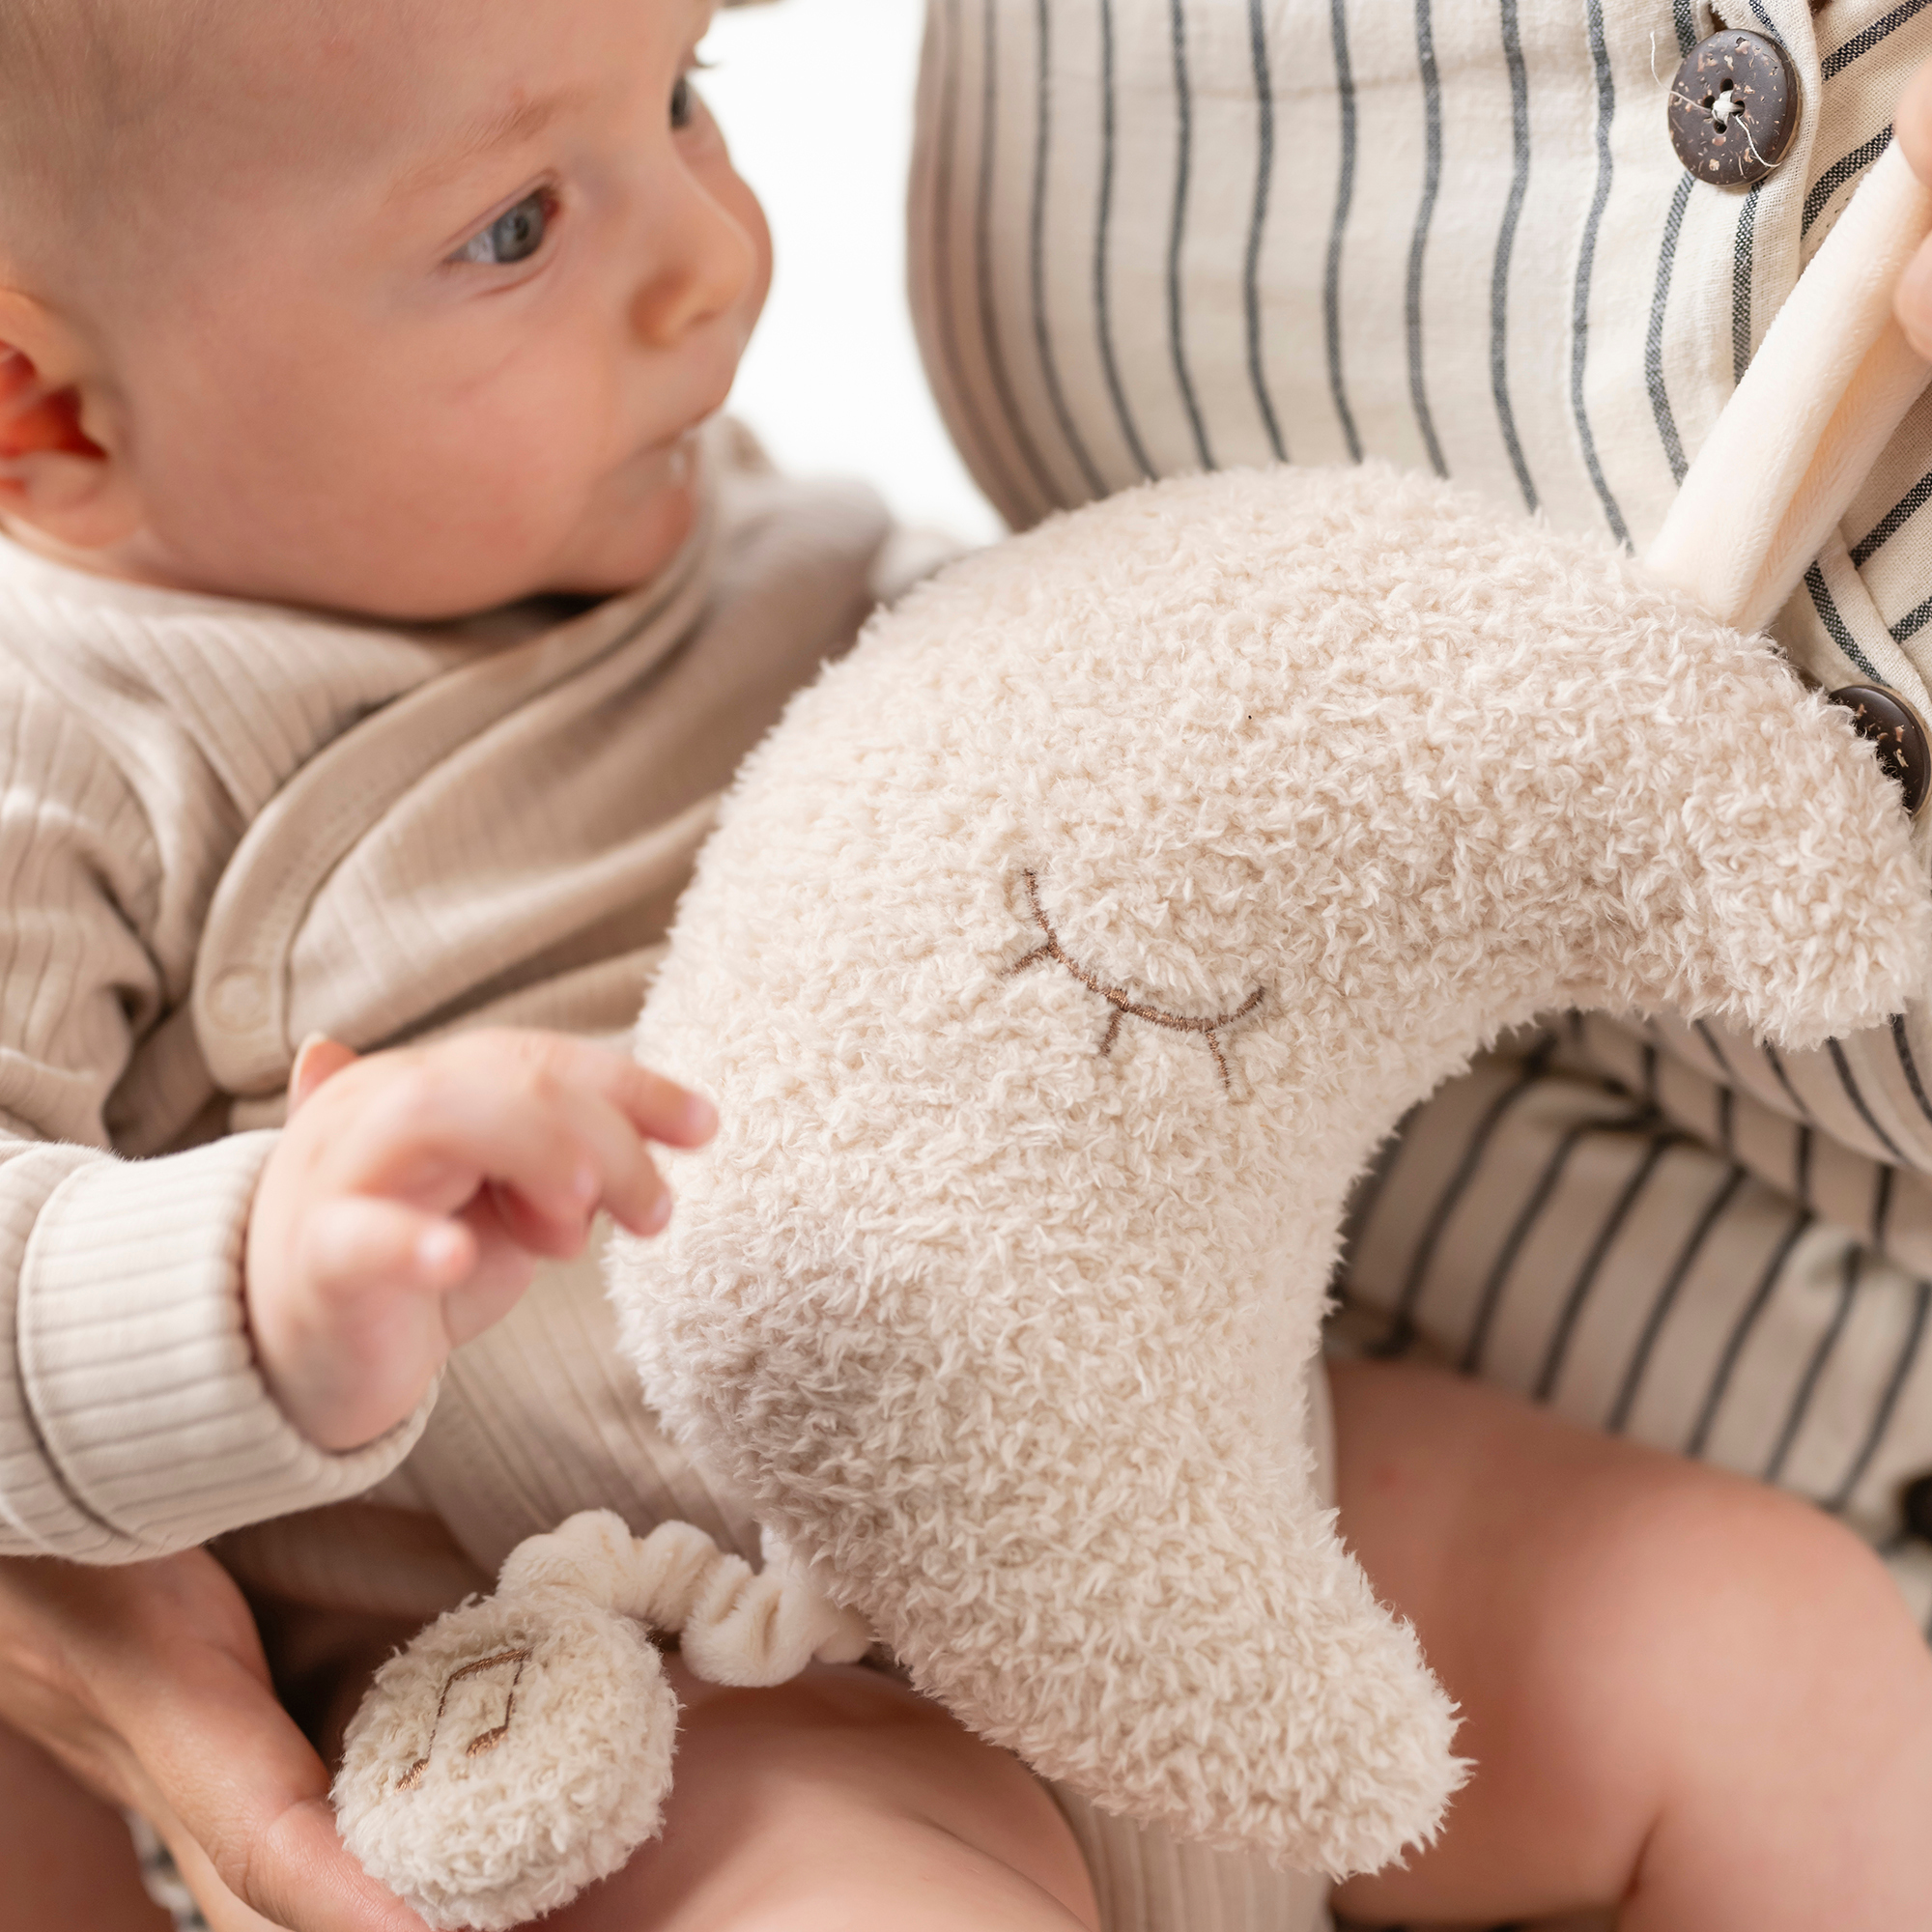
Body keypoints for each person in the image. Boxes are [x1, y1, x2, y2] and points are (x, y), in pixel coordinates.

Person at [0, 6, 1926, 1932]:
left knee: (1771, 1655)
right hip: (671, 1649)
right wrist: (254, 1283)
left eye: (681, 97)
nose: (715, 258)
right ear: (49, 416)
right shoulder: (71, 747)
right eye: (513, 226)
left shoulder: (725, 522)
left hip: (1202, 1460)